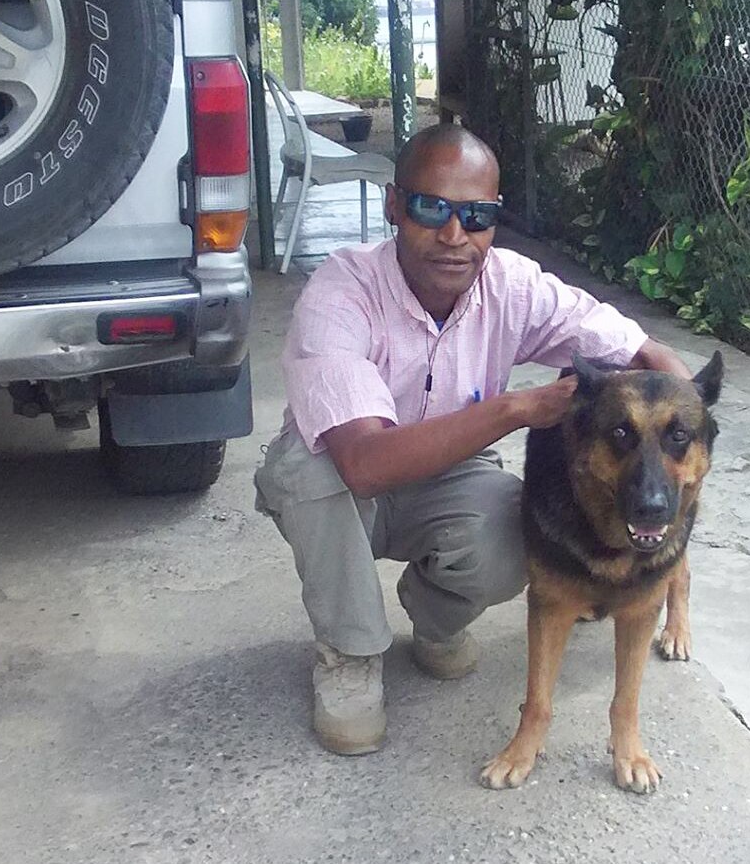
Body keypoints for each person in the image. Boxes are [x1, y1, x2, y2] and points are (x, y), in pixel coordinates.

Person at [254, 123, 691, 755]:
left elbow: (639, 351)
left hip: (448, 478)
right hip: (350, 489)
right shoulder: (341, 293)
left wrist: (682, 431)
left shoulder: (510, 285)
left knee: (513, 535)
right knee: (309, 468)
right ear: (393, 206)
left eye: (477, 215)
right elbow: (364, 465)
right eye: (432, 209)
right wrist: (516, 408)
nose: (455, 236)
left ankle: (436, 618)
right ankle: (350, 654)